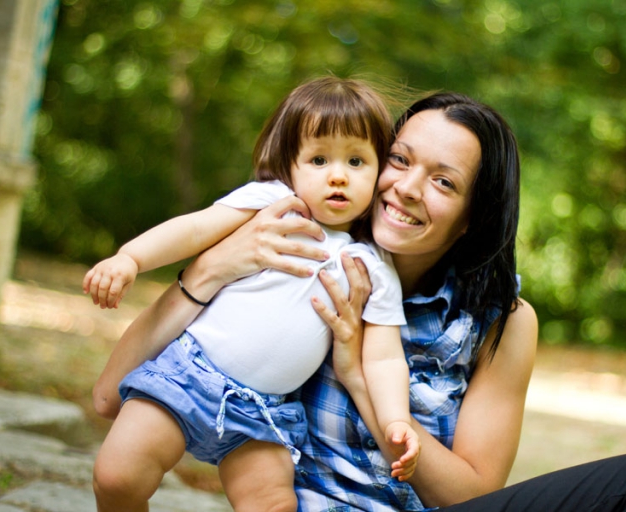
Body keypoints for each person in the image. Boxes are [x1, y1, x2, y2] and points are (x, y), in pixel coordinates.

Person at [93, 91, 626, 511]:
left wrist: (359, 377)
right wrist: (209, 270)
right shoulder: (295, 244)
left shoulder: (500, 323)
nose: (406, 187)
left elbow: (470, 498)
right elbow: (107, 396)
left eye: (443, 181)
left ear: (473, 216)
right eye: (399, 160)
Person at [86, 77, 420, 512]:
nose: (338, 175)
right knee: (117, 477)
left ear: (379, 174)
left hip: (265, 413)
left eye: (356, 161)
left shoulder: (372, 266)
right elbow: (195, 229)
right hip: (190, 375)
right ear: (290, 166)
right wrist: (130, 258)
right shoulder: (273, 203)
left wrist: (396, 419)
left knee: (274, 505)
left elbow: (384, 357)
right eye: (319, 159)